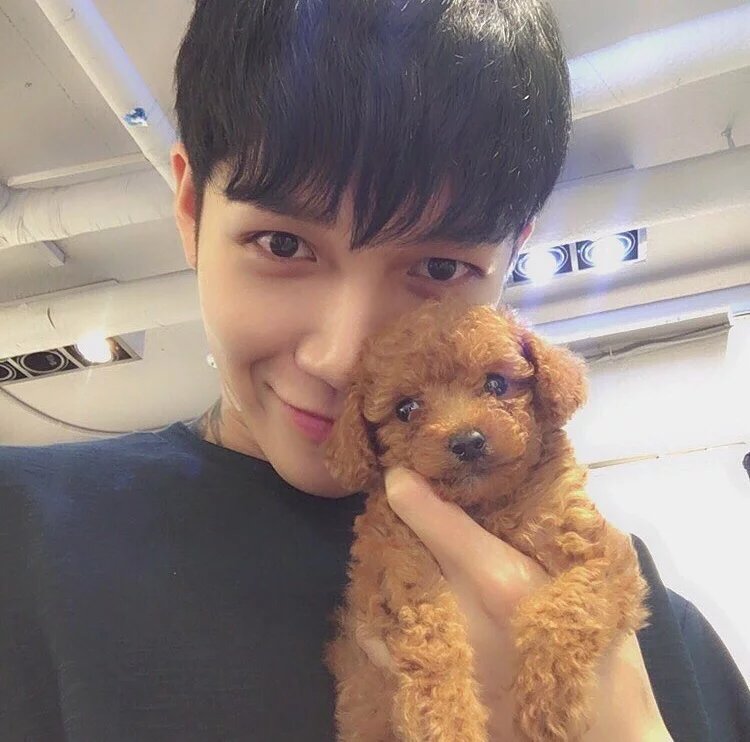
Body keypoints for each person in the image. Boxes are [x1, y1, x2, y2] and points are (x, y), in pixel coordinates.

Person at [1, 1, 748, 740]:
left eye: (439, 267)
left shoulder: (644, 627)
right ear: (192, 211)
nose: (340, 356)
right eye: (283, 245)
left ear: (512, 257)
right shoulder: (24, 539)